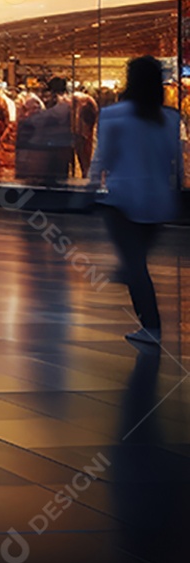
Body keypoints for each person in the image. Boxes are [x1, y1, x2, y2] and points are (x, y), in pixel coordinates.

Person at [89, 56, 181, 348]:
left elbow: (104, 155)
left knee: (135, 263)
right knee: (137, 258)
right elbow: (174, 160)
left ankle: (151, 324)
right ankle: (127, 276)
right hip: (159, 200)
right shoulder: (169, 117)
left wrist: (92, 184)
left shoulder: (114, 114)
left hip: (123, 198)